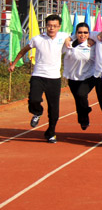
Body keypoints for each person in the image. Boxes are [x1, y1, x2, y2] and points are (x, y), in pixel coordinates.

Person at [9, 15, 69, 143]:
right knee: (34, 99)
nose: (51, 28)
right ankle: (37, 112)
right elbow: (23, 51)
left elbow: (70, 38)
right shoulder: (37, 39)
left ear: (59, 27)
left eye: (54, 26)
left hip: (54, 78)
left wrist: (68, 41)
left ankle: (51, 133)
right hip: (38, 75)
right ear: (46, 26)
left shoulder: (63, 36)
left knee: (54, 109)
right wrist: (14, 64)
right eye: (49, 25)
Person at [63, 22, 96, 130]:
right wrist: (68, 38)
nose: (83, 35)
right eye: (80, 32)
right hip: (73, 77)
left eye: (85, 32)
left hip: (89, 76)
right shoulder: (69, 44)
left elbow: (101, 34)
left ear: (89, 33)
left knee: (81, 94)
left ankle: (85, 115)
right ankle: (83, 119)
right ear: (76, 33)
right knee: (78, 99)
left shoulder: (92, 44)